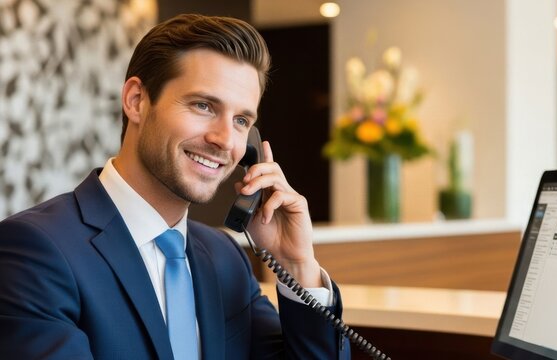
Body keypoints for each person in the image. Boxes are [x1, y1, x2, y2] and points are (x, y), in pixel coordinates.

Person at [0, 14, 350, 359]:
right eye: (203, 105)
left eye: (241, 120)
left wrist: (296, 263)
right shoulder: (34, 250)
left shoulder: (224, 257)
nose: (226, 141)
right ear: (137, 100)